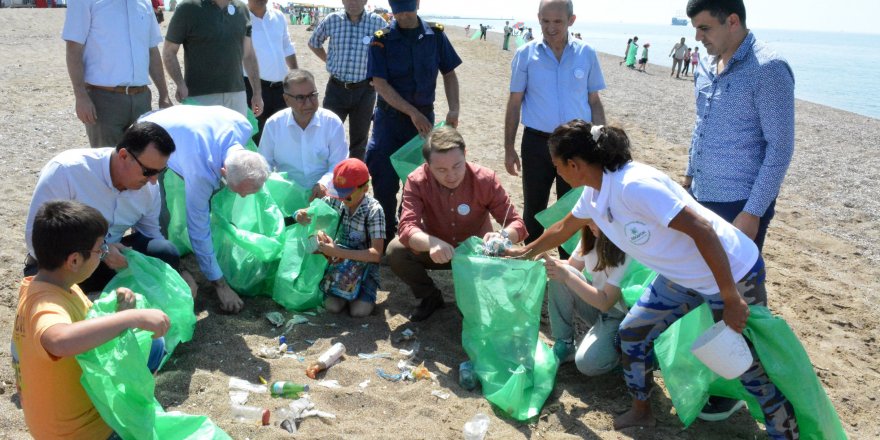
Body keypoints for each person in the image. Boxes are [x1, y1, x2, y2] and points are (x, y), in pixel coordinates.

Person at [508, 120, 797, 437]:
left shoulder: (634, 186)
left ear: (573, 165)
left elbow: (703, 230)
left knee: (743, 361)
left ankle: (785, 430)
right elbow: (563, 228)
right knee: (633, 333)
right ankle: (642, 411)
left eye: (557, 166)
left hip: (730, 271)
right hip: (679, 275)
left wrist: (730, 298)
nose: (557, 173)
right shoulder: (594, 193)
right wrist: (525, 253)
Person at [684, 0, 795, 421]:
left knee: (740, 297)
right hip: (703, 197)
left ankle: (746, 386)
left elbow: (780, 148)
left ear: (733, 21)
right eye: (696, 28)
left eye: (705, 27)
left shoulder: (769, 68)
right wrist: (690, 179)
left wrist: (752, 212)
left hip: (739, 205)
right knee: (707, 291)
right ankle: (721, 372)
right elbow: (701, 125)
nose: (698, 36)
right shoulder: (707, 64)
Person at [12, 200, 171, 440]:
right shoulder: (45, 305)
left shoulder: (48, 285)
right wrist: (132, 317)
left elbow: (84, 324)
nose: (104, 254)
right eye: (100, 250)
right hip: (81, 433)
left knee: (153, 345)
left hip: (59, 422)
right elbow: (59, 341)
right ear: (74, 260)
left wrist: (119, 313)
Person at [23, 122, 188, 295]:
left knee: (165, 253)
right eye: (148, 171)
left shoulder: (148, 187)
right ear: (123, 156)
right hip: (66, 262)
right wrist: (102, 251)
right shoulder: (67, 171)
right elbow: (36, 239)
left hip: (110, 260)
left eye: (160, 172)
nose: (154, 180)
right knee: (49, 295)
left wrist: (176, 274)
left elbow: (151, 235)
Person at [388, 126, 527, 322]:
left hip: (477, 255)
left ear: (465, 155)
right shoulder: (416, 180)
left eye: (457, 166)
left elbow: (517, 224)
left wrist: (502, 236)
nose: (451, 175)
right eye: (441, 170)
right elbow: (407, 228)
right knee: (396, 251)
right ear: (427, 165)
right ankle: (430, 296)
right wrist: (432, 243)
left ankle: (475, 294)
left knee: (471, 316)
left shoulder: (485, 179)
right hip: (436, 252)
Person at [140, 105, 270, 314]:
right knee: (155, 212)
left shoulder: (243, 125)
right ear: (222, 171)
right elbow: (197, 229)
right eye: (240, 191)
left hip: (188, 126)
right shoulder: (201, 172)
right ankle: (166, 267)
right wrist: (221, 285)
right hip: (151, 131)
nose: (243, 197)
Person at [504, 0, 606, 252]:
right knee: (534, 207)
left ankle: (568, 268)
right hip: (537, 143)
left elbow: (595, 101)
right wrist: (509, 147)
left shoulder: (587, 53)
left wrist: (602, 143)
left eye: (558, 21)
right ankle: (531, 264)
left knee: (573, 206)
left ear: (571, 20)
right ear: (538, 18)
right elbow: (514, 103)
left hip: (577, 144)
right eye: (545, 21)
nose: (551, 27)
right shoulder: (525, 54)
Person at [365, 0, 462, 241]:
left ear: (417, 4)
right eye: (398, 10)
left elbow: (449, 73)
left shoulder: (435, 35)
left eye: (408, 8)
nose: (403, 15)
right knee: (384, 179)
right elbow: (380, 84)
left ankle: (407, 232)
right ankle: (385, 234)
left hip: (423, 122)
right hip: (389, 121)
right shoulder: (381, 39)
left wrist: (454, 109)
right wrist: (412, 112)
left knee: (417, 180)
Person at [62, 0, 172, 148]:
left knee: (141, 163)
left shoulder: (144, 3)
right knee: (107, 162)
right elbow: (74, 50)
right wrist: (81, 96)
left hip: (141, 99)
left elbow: (152, 51)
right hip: (103, 101)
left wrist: (164, 94)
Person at [294, 158, 385, 317]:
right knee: (332, 307)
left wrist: (338, 252)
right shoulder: (335, 201)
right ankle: (346, 295)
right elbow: (307, 211)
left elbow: (376, 254)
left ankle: (360, 294)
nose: (342, 199)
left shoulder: (374, 210)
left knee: (359, 312)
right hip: (339, 267)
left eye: (347, 196)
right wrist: (299, 215)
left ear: (365, 188)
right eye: (339, 194)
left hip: (364, 270)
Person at [545, 220, 630, 376]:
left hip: (618, 316)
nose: (590, 224)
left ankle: (622, 354)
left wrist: (566, 275)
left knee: (588, 364)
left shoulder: (626, 247)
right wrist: (549, 263)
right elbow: (571, 267)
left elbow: (606, 303)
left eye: (596, 219)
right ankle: (565, 343)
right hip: (596, 305)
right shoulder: (591, 235)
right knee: (559, 274)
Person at [307, 0, 387, 160]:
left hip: (365, 91)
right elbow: (314, 42)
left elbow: (389, 51)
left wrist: (377, 74)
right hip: (336, 89)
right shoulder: (332, 19)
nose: (353, 2)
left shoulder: (378, 22)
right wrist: (329, 60)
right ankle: (325, 176)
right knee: (326, 134)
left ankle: (354, 179)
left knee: (360, 139)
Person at [163, 0, 264, 118]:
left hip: (237, 96)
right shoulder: (187, 8)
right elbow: (169, 51)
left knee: (239, 136)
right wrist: (180, 83)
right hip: (200, 97)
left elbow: (248, 55)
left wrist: (257, 93)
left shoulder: (242, 9)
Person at [259, 69, 348, 200]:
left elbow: (340, 164)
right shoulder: (273, 125)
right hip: (286, 198)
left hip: (326, 198)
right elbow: (264, 164)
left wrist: (324, 183)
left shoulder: (332, 122)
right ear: (286, 99)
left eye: (312, 95)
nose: (309, 103)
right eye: (300, 98)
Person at [244, 0, 298, 144]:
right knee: (257, 135)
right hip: (253, 88)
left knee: (281, 134)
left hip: (280, 88)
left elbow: (287, 46)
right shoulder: (241, 18)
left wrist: (296, 74)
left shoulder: (278, 16)